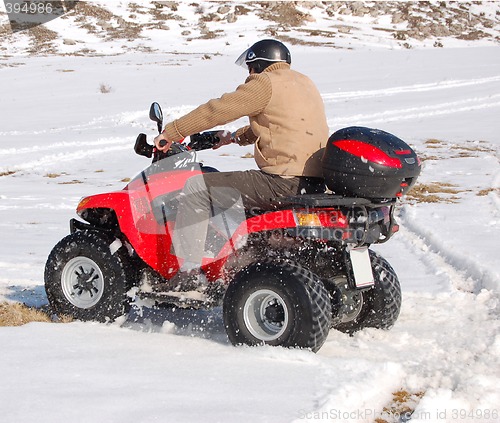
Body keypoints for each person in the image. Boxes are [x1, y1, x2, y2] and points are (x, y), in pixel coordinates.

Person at [154, 39, 329, 290]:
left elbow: (217, 110)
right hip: (313, 183)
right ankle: (237, 258)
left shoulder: (264, 83)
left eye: (250, 68)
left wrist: (172, 132)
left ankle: (189, 275)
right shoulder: (304, 82)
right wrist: (234, 138)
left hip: (281, 182)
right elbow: (280, 123)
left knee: (195, 188)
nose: (250, 73)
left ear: (258, 65)